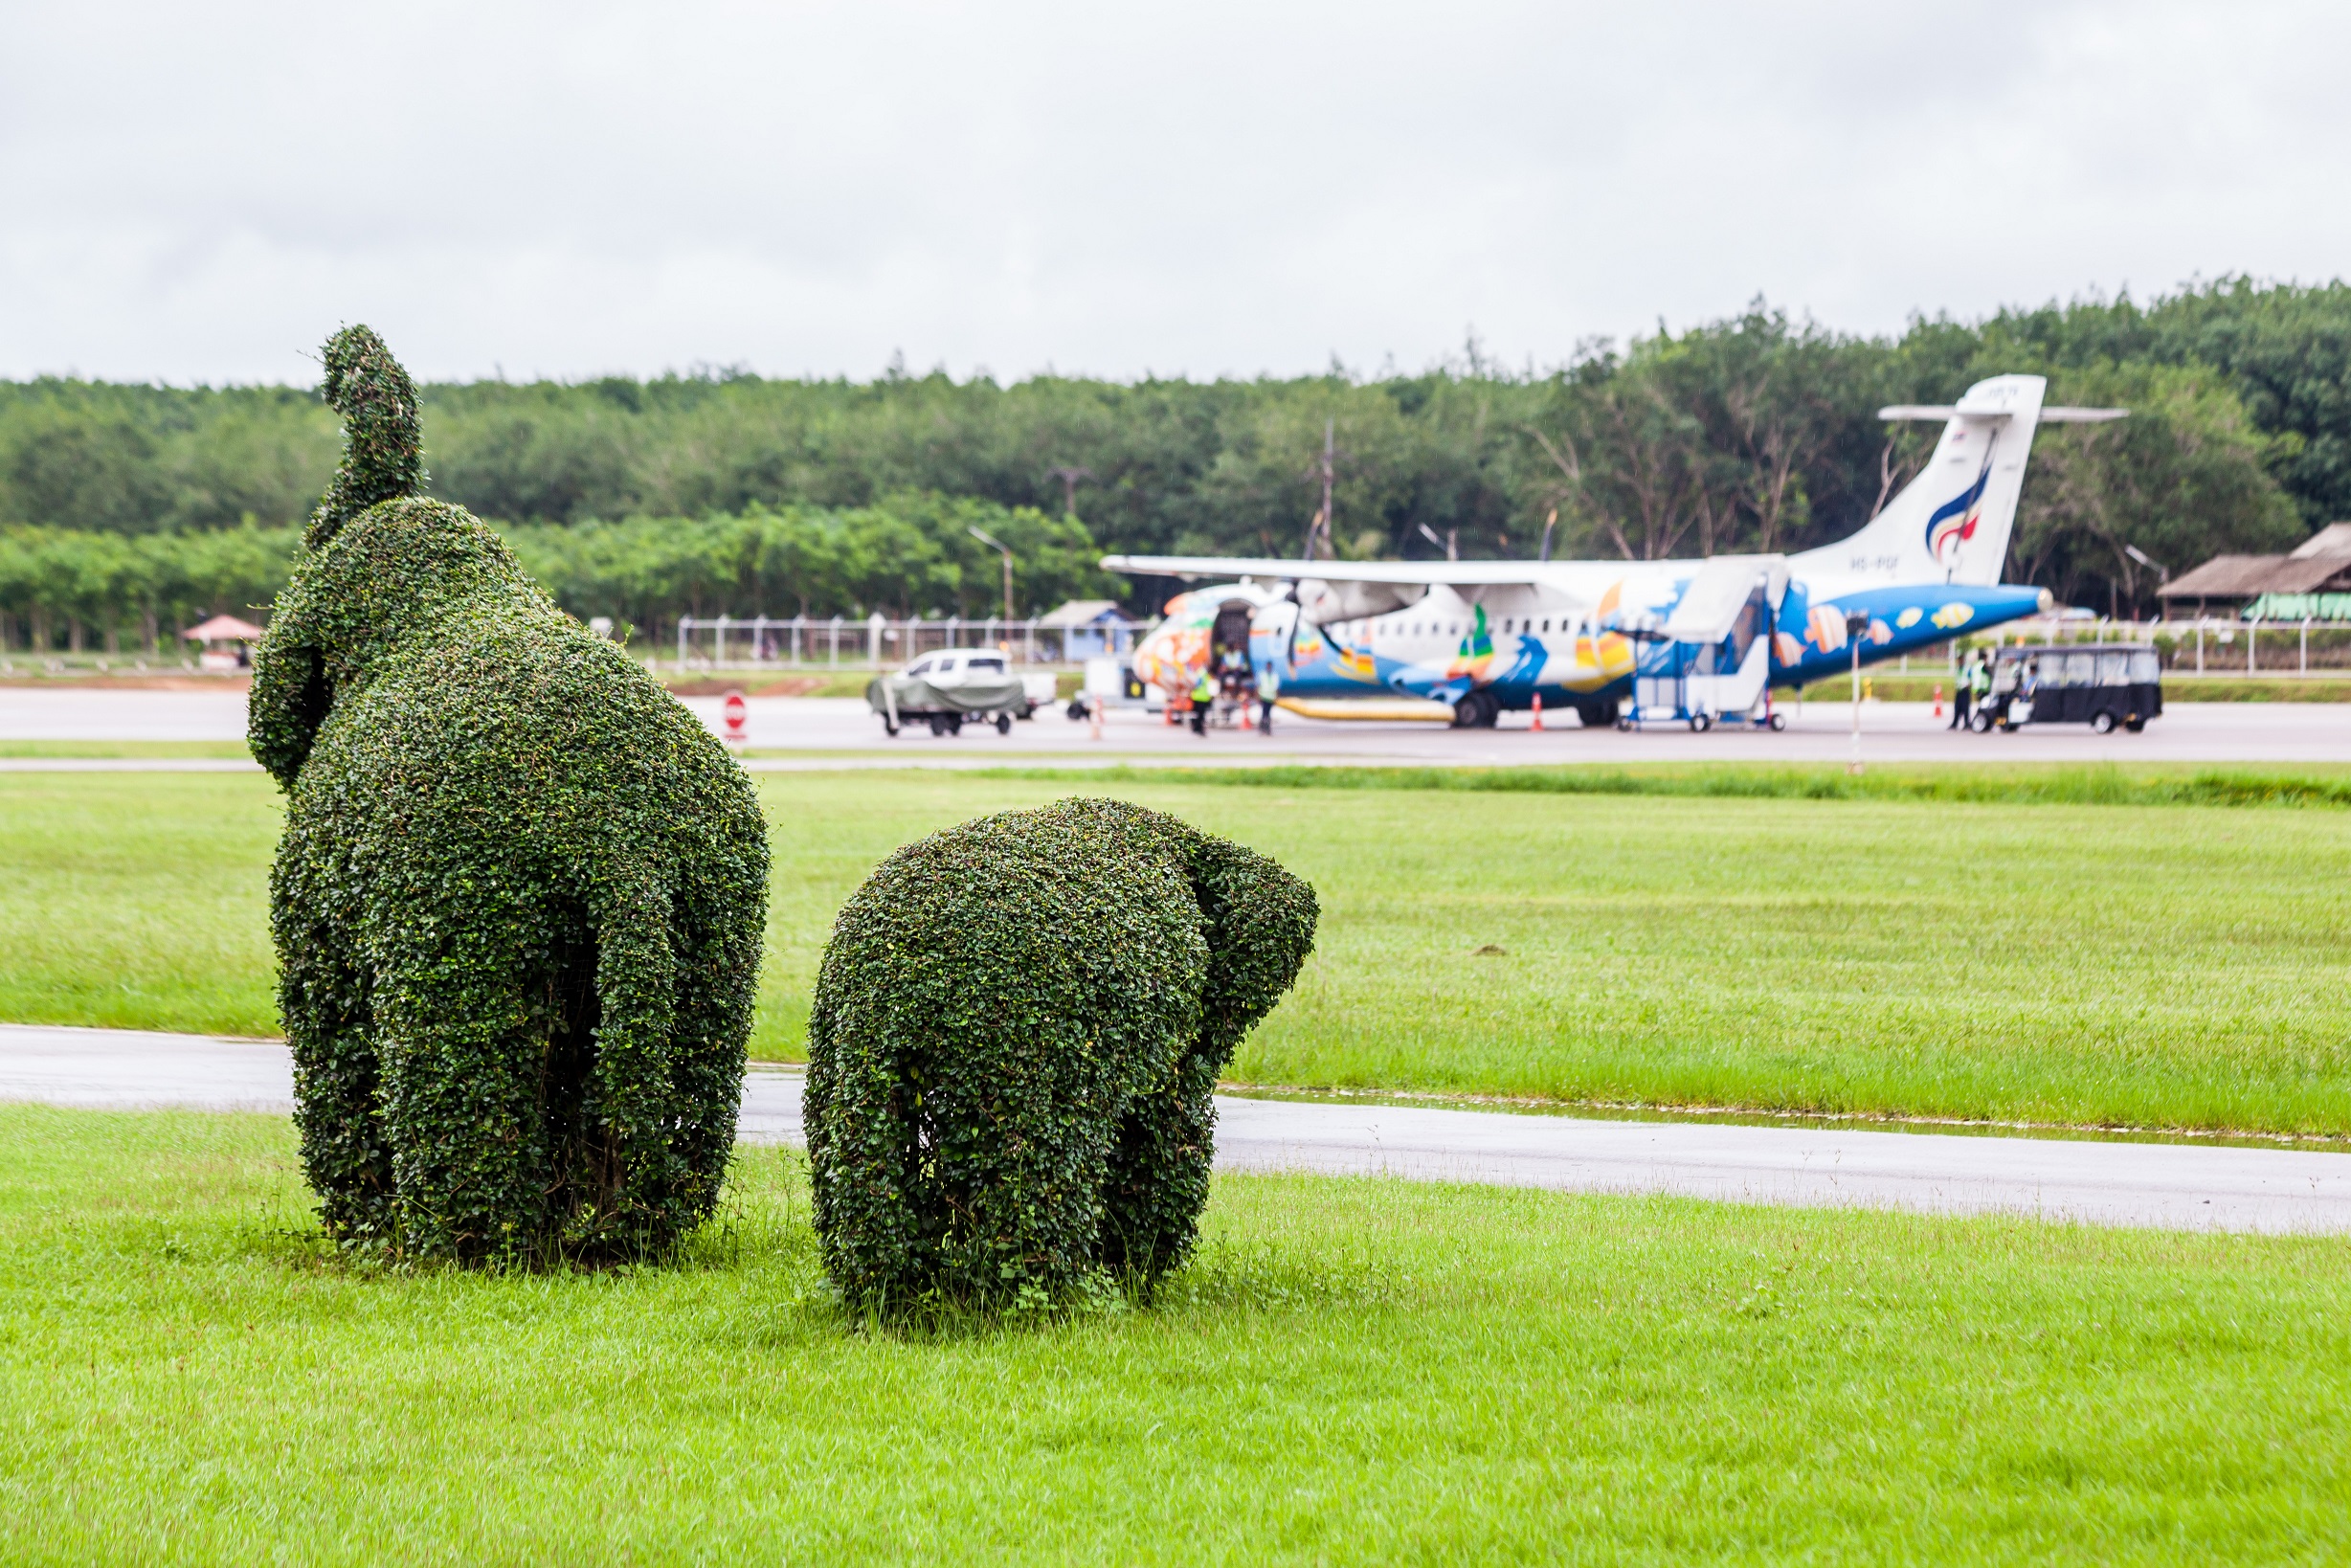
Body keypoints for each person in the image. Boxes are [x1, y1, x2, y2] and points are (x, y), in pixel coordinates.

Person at [1949, 651, 1976, 730]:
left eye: (1960, 659)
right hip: (1959, 690)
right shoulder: (1958, 669)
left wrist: (1969, 685)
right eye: (1958, 659)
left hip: (1965, 690)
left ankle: (1967, 723)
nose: (1959, 661)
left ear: (1963, 660)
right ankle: (1955, 723)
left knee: (1965, 708)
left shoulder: (1967, 669)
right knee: (1957, 708)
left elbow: (1972, 678)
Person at [1189, 667, 1216, 734]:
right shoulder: (1203, 675)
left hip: (1198, 697)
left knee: (1197, 714)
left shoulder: (1200, 674)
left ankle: (1196, 728)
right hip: (1202, 698)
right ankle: (1198, 728)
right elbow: (1197, 685)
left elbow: (1196, 685)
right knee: (1201, 715)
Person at [1257, 662, 1281, 734]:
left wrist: (1276, 697)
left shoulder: (1274, 675)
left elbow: (1277, 687)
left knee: (1268, 713)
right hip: (1263, 696)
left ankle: (1267, 727)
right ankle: (1263, 727)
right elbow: (1258, 686)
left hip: (1271, 697)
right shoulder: (1262, 675)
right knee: (1264, 713)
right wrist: (1258, 696)